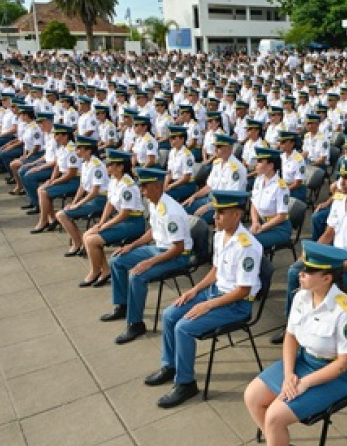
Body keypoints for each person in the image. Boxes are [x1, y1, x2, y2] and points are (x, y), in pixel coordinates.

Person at [145, 190, 262, 408]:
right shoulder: (219, 235)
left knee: (183, 327)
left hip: (235, 305)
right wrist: (195, 290)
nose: (215, 217)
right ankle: (170, 365)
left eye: (221, 213)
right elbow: (216, 270)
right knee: (170, 314)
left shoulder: (247, 247)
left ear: (236, 215)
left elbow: (243, 290)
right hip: (214, 292)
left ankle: (186, 383)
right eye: (215, 212)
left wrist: (207, 305)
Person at [244, 241, 347, 446]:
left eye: (308, 271)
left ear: (326, 278)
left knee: (274, 417)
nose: (301, 273)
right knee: (252, 396)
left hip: (333, 375)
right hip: (303, 361)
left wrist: (305, 383)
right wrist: (289, 374)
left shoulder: (346, 311)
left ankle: (276, 438)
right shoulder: (301, 296)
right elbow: (291, 336)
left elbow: (344, 364)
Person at [271, 159, 347, 344]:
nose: (342, 182)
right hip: (332, 259)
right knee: (295, 271)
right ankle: (293, 324)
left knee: (315, 281)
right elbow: (329, 233)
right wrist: (311, 256)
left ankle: (319, 333)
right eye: (341, 177)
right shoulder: (338, 201)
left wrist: (339, 268)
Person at [100, 168, 193, 345]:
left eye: (145, 187)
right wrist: (132, 246)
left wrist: (149, 262)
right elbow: (153, 231)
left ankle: (135, 323)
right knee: (117, 260)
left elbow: (178, 248)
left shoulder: (171, 211)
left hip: (176, 256)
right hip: (158, 248)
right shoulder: (154, 202)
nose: (142, 190)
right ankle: (122, 305)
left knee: (137, 275)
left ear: (157, 187)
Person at [81, 149, 146, 287]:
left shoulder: (127, 186)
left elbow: (124, 214)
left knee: (92, 240)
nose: (107, 167)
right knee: (87, 235)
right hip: (122, 220)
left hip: (133, 223)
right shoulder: (114, 180)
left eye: (111, 165)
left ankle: (95, 271)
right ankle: (104, 270)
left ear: (120, 167)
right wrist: (101, 222)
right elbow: (109, 203)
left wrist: (106, 226)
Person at [55, 136, 109, 257]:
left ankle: (77, 243)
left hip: (100, 200)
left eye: (79, 148)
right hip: (91, 198)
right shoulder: (85, 163)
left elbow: (95, 191)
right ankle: (80, 241)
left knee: (61, 214)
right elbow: (82, 187)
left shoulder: (97, 166)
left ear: (88, 150)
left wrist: (78, 205)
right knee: (63, 213)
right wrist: (74, 202)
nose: (76, 151)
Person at [183, 134, 247, 225]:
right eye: (215, 146)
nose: (215, 149)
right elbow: (209, 187)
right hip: (211, 200)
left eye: (219, 147)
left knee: (196, 219)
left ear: (229, 149)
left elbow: (230, 197)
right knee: (184, 209)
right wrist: (194, 196)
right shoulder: (217, 163)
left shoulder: (236, 169)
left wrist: (208, 207)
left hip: (225, 207)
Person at [29, 130, 81, 232]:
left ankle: (43, 221)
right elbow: (57, 166)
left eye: (57, 134)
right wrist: (52, 179)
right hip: (64, 177)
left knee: (43, 191)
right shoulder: (61, 147)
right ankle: (51, 218)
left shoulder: (72, 151)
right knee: (42, 189)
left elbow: (71, 174)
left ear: (65, 136)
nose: (55, 136)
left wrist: (55, 182)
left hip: (74, 181)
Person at [249, 147, 292, 249]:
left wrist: (261, 228)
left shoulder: (280, 187)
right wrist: (255, 222)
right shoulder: (259, 180)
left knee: (250, 243)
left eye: (260, 162)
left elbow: (281, 216)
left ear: (270, 166)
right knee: (238, 237)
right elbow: (254, 204)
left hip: (279, 228)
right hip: (262, 222)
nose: (256, 164)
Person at [162, 125, 197, 202]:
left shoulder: (187, 155)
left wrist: (170, 186)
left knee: (167, 195)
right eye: (170, 138)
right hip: (174, 182)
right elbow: (169, 172)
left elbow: (186, 178)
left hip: (186, 185)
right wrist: (165, 184)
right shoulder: (172, 152)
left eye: (174, 138)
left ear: (182, 139)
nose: (171, 140)